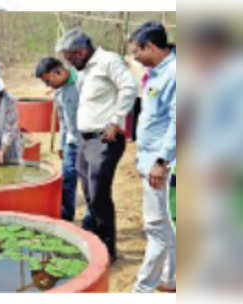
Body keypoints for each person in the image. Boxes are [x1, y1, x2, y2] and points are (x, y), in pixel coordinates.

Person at [55, 27, 138, 263]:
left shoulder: (108, 61)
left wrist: (116, 121)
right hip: (85, 140)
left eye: (71, 57)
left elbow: (129, 87)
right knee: (89, 193)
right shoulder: (84, 70)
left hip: (105, 139)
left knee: (99, 193)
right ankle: (98, 241)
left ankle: (108, 249)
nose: (69, 63)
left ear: (82, 51)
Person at [128, 21, 176, 293]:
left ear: (150, 47)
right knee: (166, 225)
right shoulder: (157, 73)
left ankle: (143, 289)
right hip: (152, 162)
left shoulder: (176, 74)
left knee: (156, 228)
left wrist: (161, 161)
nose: (135, 57)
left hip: (163, 165)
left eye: (137, 51)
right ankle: (170, 278)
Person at [35, 57, 80, 221]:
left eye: (48, 81)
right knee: (67, 180)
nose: (48, 86)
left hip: (89, 142)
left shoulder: (82, 82)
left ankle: (93, 223)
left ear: (58, 71)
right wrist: (62, 144)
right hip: (71, 142)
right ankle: (67, 217)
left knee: (92, 187)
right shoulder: (59, 91)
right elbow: (62, 119)